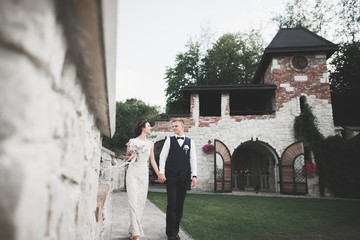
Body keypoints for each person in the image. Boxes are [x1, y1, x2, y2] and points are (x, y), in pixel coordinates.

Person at [158, 119, 197, 240]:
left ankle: (176, 230)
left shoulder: (190, 142)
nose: (174, 128)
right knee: (172, 203)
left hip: (184, 177)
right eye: (173, 126)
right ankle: (171, 233)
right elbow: (162, 157)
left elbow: (193, 159)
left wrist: (194, 176)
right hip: (171, 177)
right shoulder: (169, 140)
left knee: (180, 204)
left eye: (176, 126)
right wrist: (161, 173)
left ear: (183, 127)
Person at [125, 120, 160, 240]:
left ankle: (133, 229)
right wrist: (133, 154)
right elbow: (127, 158)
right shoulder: (132, 142)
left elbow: (152, 160)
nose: (150, 128)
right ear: (142, 128)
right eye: (149, 126)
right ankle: (136, 233)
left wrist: (159, 174)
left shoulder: (150, 143)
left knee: (140, 203)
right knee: (132, 202)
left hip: (143, 174)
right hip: (133, 173)